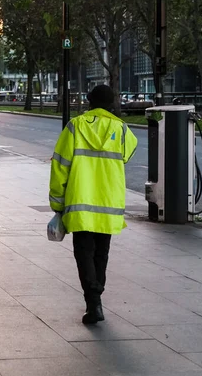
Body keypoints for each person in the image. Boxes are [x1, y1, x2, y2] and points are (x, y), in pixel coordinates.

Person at [49, 84, 137, 325]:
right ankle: (97, 294)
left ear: (89, 102)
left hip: (80, 203)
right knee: (102, 254)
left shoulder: (75, 126)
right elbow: (129, 152)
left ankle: (93, 301)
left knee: (84, 253)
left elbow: (59, 166)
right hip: (108, 203)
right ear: (111, 104)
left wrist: (57, 203)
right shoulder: (121, 129)